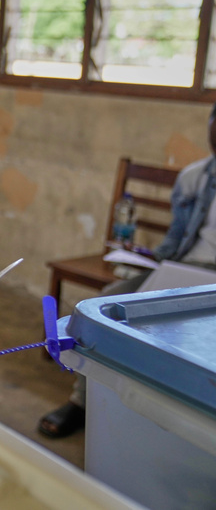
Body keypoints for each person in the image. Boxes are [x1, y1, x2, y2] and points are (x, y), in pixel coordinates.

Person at [38, 101, 216, 439]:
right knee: (106, 305)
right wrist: (147, 260)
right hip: (186, 268)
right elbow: (176, 237)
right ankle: (82, 402)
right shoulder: (196, 177)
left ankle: (171, 427)